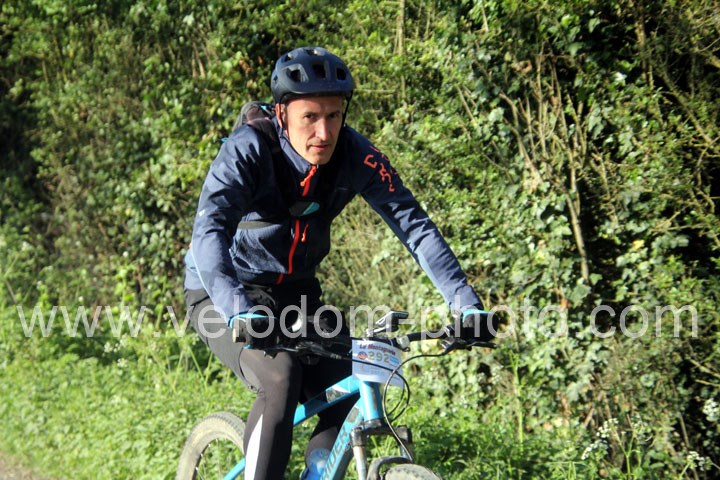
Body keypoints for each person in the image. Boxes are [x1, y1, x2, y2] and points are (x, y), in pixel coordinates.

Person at [183, 46, 492, 480]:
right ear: (282, 113)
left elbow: (415, 226)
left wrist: (465, 303)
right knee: (280, 377)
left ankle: (319, 470)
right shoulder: (248, 150)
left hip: (296, 294)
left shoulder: (355, 154)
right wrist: (237, 309)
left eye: (334, 115)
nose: (324, 132)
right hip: (222, 291)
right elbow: (209, 232)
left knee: (352, 377)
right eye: (310, 116)